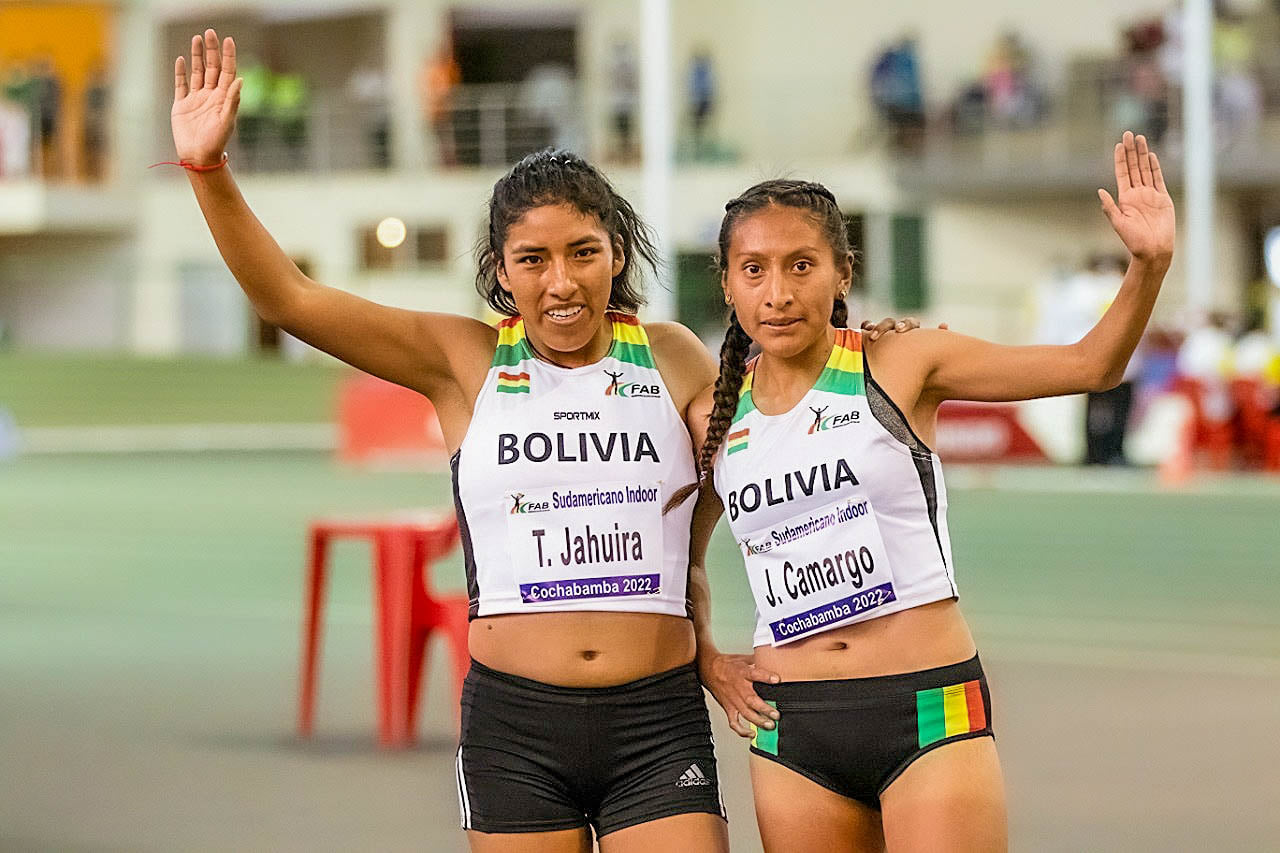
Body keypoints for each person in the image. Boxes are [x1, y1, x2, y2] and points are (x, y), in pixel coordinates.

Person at [168, 27, 917, 851]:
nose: (560, 281)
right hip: (515, 729)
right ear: (500, 268)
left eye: (583, 253)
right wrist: (208, 170)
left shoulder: (669, 355)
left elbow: (770, 431)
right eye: (533, 259)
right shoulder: (461, 360)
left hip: (655, 723)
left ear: (616, 254)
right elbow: (290, 301)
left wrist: (867, 352)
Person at [684, 132, 1173, 851]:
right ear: (727, 283)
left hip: (926, 705)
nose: (778, 292)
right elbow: (678, 560)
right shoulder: (715, 415)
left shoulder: (902, 361)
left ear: (843, 274)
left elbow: (1091, 365)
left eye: (802, 265)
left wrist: (1149, 265)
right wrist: (706, 658)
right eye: (753, 269)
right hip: (792, 728)